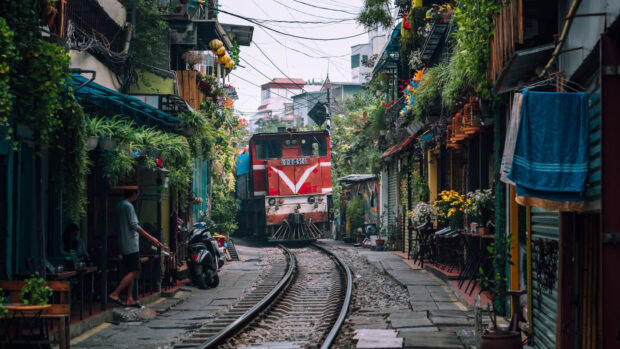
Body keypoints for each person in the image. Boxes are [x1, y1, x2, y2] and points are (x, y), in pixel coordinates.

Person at [108, 189, 165, 308]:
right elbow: (135, 225)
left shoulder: (120, 205)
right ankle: (115, 293)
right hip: (131, 244)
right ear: (133, 194)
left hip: (124, 243)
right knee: (135, 270)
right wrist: (151, 238)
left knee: (131, 270)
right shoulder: (128, 206)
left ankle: (130, 298)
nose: (138, 195)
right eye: (137, 193)